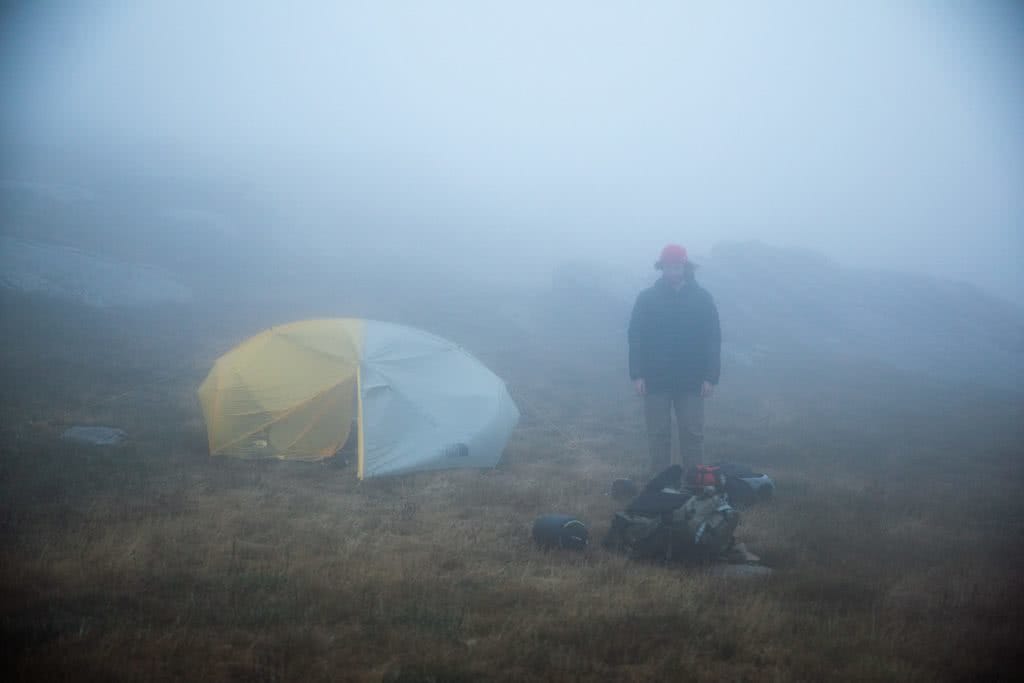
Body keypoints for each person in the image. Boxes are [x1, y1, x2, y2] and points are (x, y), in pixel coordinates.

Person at [628, 244, 721, 474]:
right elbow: (635, 336)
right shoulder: (646, 298)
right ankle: (660, 487)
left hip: (692, 380)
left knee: (692, 434)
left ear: (685, 266)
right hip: (655, 379)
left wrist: (711, 377)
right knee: (658, 435)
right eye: (668, 266)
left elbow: (713, 338)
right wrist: (637, 374)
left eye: (677, 266)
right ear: (662, 267)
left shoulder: (702, 298)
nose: (673, 271)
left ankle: (695, 487)